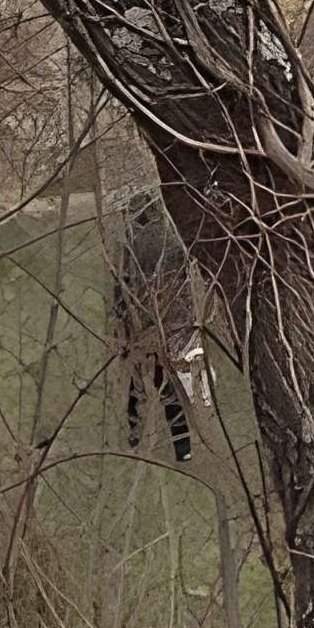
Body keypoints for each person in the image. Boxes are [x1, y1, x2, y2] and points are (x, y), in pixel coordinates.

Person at [106, 191, 199, 462]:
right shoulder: (153, 241)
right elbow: (122, 284)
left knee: (159, 384)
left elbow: (178, 281)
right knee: (150, 384)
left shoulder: (156, 241)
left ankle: (170, 445)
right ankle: (148, 441)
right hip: (150, 324)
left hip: (155, 325)